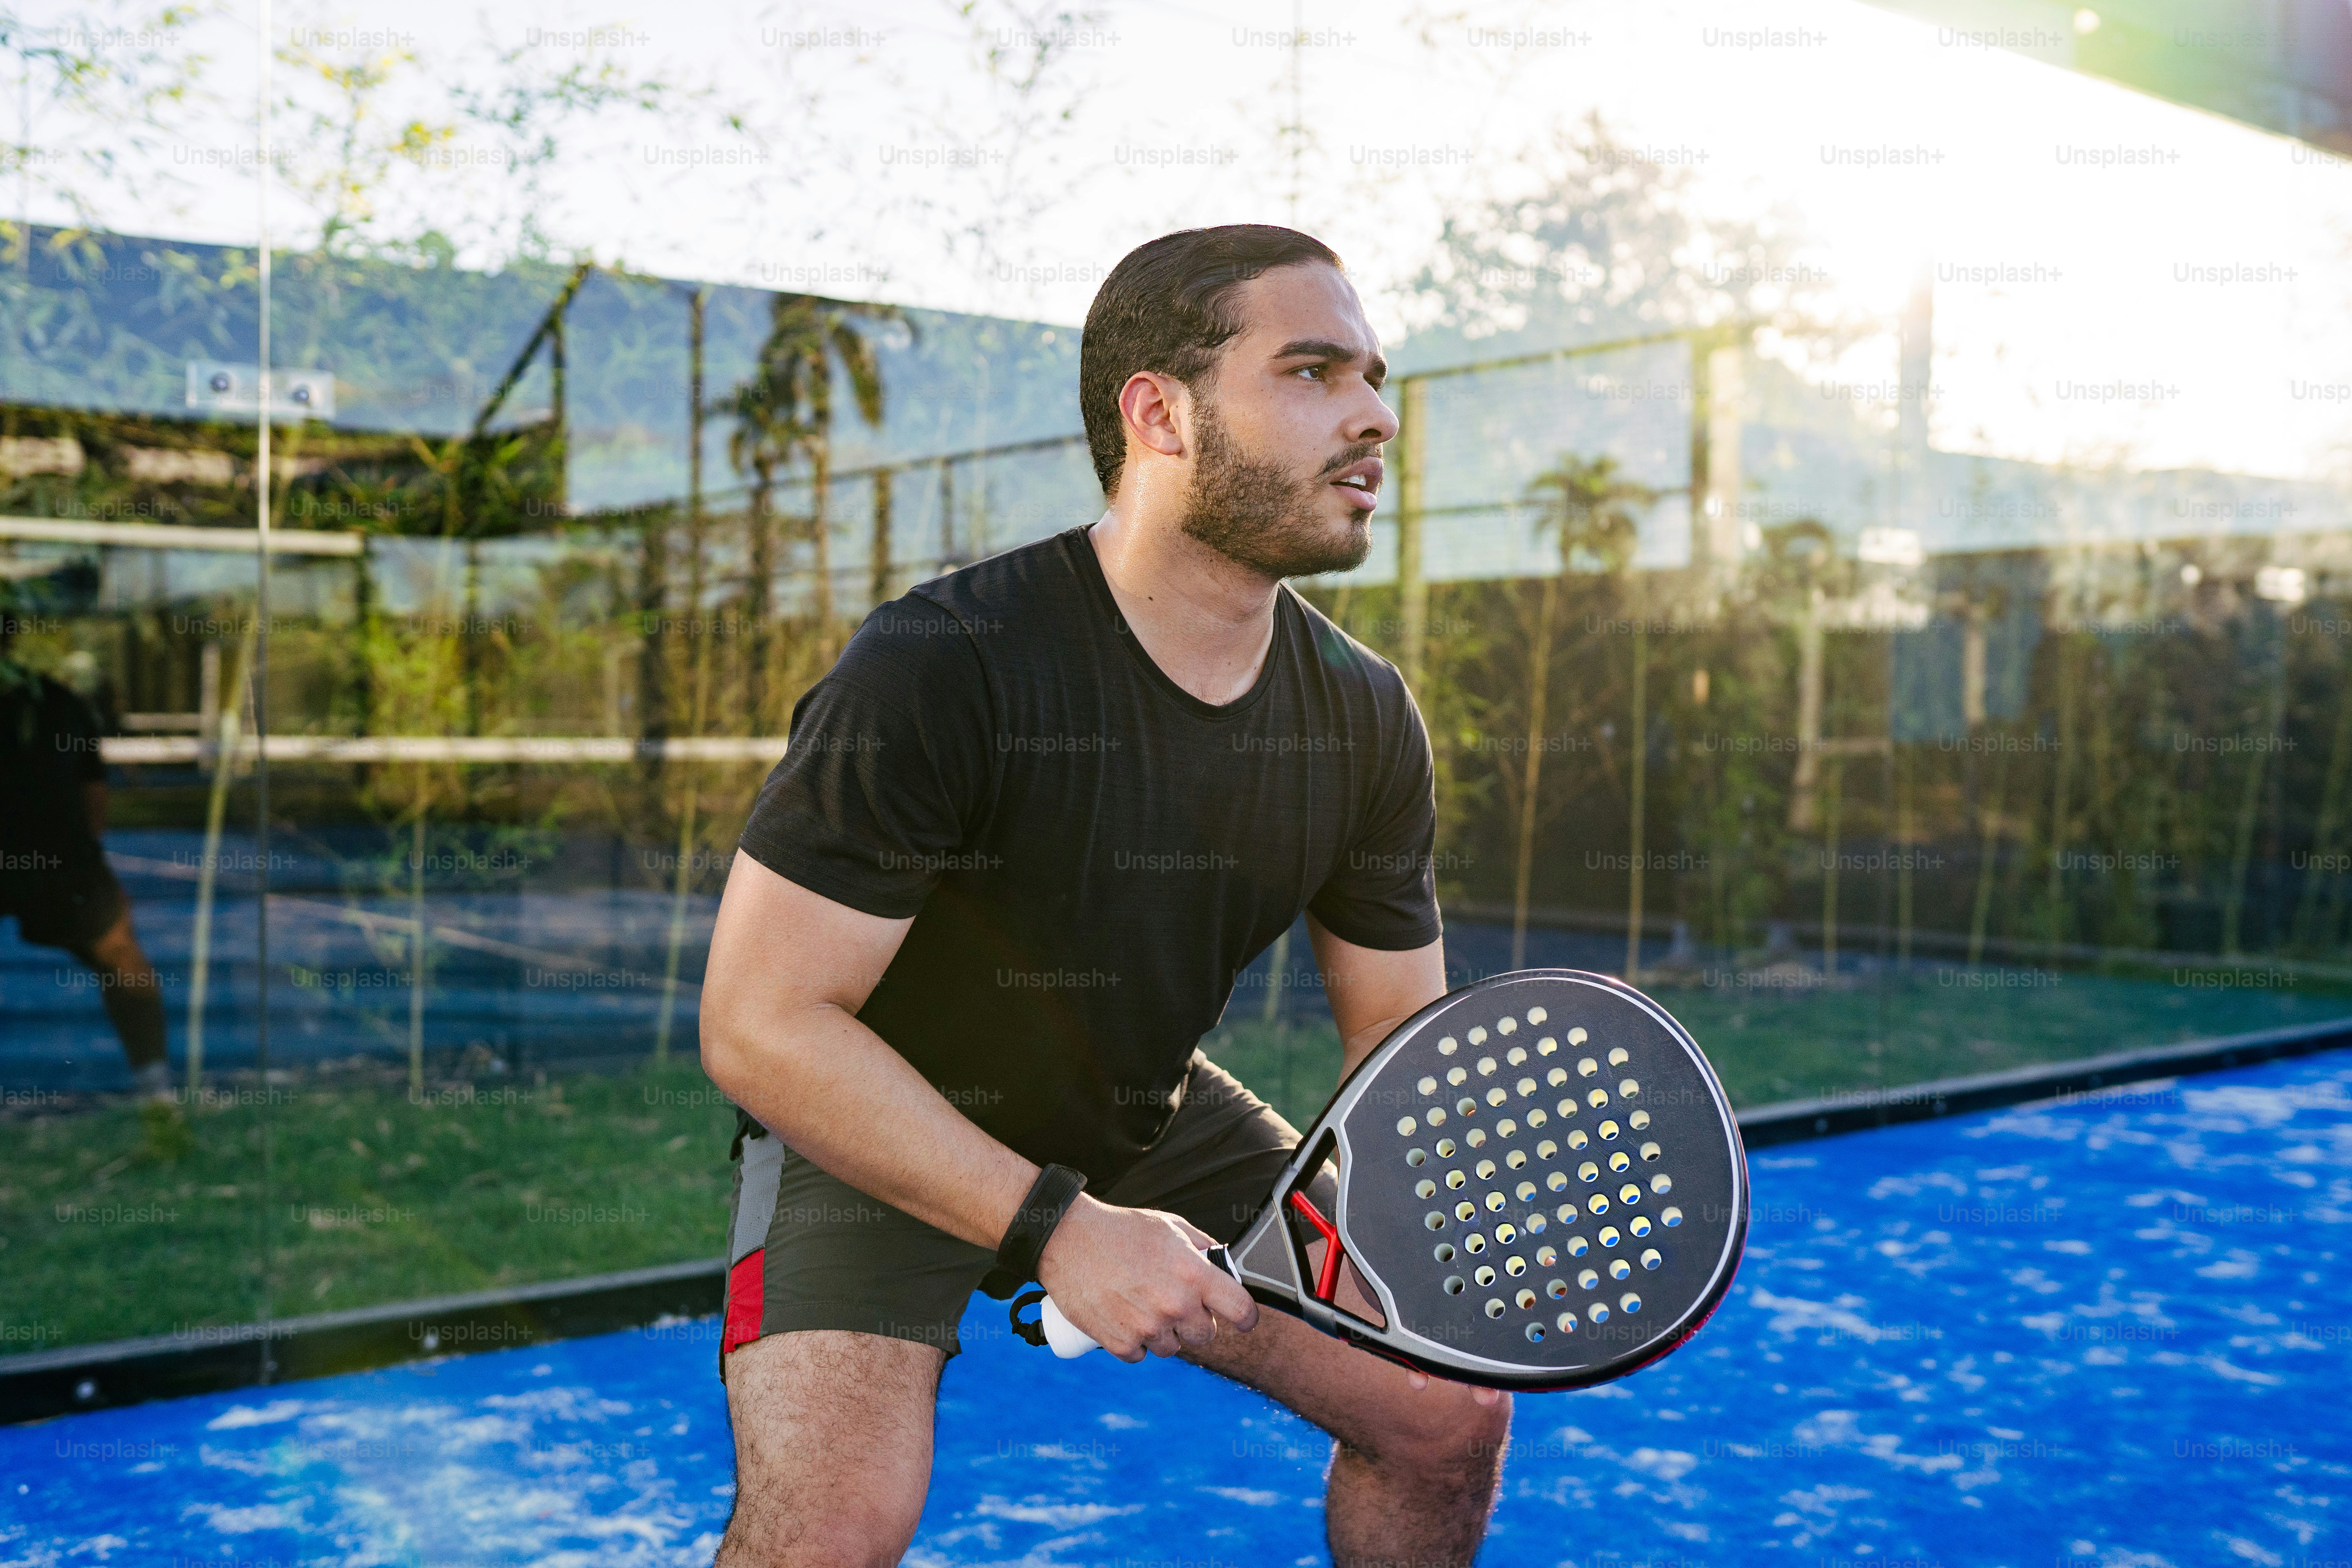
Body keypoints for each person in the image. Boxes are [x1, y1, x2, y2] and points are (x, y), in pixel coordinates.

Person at [699, 224, 1508, 1568]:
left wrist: (1453, 1212)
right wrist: (1057, 1228)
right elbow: (764, 1022)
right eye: (1311, 371)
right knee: (832, 1530)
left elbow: (1393, 1055)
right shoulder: (941, 662)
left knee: (1442, 1410)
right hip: (879, 1111)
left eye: (1374, 377)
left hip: (1143, 1109)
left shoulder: (1363, 716)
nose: (1374, 417)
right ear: (1160, 415)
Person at [0, 602, 176, 1140]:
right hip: (61, 861)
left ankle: (160, 1102)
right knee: (122, 959)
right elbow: (92, 794)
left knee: (122, 957)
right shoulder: (60, 703)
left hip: (58, 861)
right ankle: (159, 1098)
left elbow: (90, 790)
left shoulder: (58, 704)